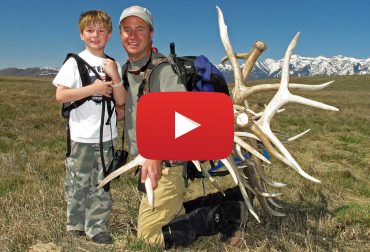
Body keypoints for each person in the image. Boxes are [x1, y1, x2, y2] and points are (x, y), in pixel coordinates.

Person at [119, 5, 247, 249]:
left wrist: (155, 153)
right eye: (127, 30)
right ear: (121, 34)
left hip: (167, 164)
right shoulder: (129, 70)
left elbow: (182, 112)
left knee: (149, 237)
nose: (133, 35)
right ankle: (232, 198)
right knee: (171, 216)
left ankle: (226, 213)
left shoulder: (162, 70)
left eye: (140, 29)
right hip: (151, 161)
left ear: (151, 33)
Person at [52, 10, 125, 244]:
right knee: (77, 183)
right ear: (82, 34)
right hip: (82, 137)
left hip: (107, 137)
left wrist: (116, 78)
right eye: (90, 30)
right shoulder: (75, 62)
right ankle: (74, 225)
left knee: (102, 185)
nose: (96, 35)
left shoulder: (113, 63)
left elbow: (121, 100)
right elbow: (61, 95)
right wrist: (93, 89)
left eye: (101, 30)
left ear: (109, 34)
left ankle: (97, 227)